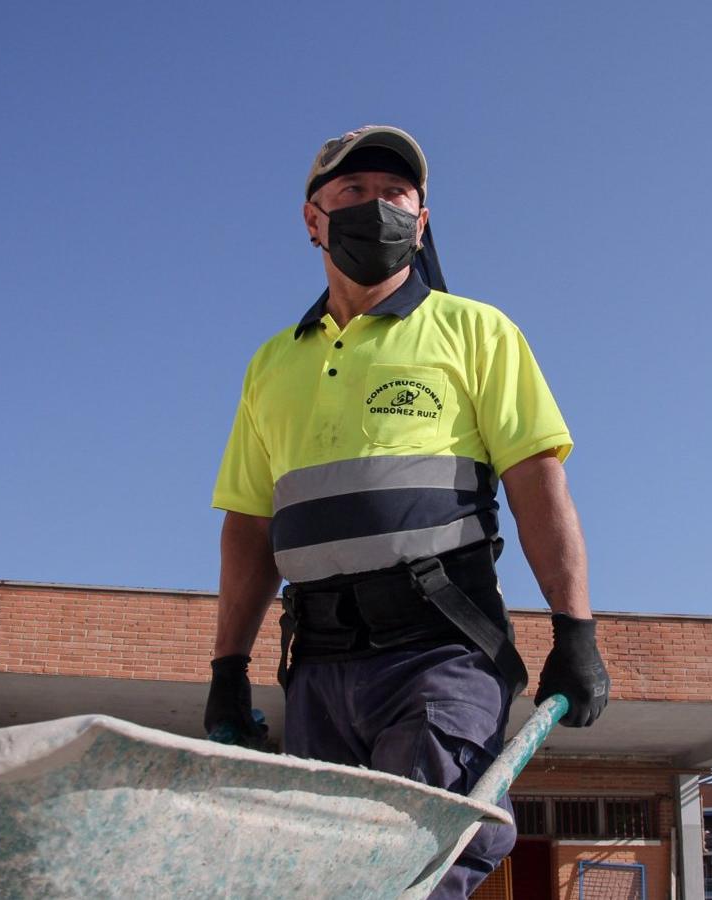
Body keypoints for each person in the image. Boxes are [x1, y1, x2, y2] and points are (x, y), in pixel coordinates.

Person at [206, 124, 609, 899]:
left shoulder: (476, 331)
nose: (377, 206)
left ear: (421, 222)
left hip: (439, 650)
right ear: (313, 219)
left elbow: (538, 486)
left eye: (396, 194)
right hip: (317, 665)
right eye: (354, 192)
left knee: (422, 863)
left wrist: (576, 631)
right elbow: (250, 526)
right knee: (327, 880)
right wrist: (229, 669)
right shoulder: (271, 363)